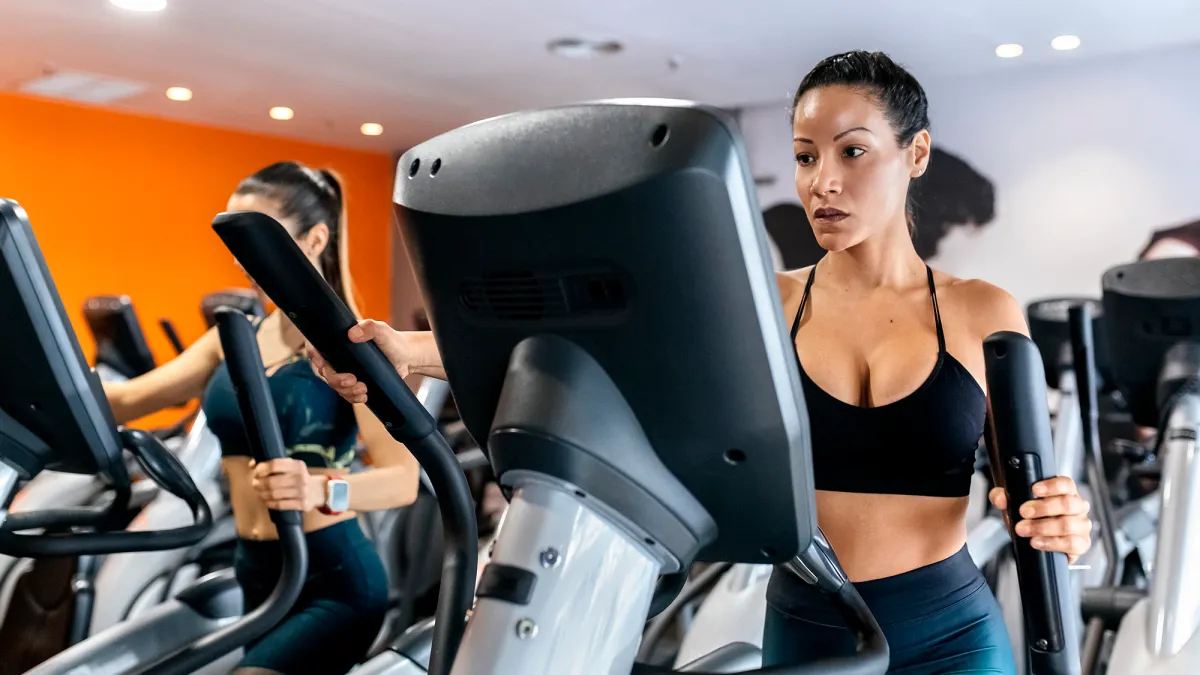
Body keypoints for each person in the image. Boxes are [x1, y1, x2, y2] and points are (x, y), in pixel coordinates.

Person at [309, 52, 1093, 673]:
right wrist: (409, 349)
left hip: (949, 630)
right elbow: (602, 346)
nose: (823, 181)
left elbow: (1027, 481)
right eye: (805, 155)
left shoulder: (980, 309)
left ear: (914, 154)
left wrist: (1067, 515)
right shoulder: (768, 300)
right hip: (813, 623)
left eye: (853, 152)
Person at [102, 161, 418, 675]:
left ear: (315, 238)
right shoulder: (234, 337)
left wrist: (320, 490)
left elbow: (403, 481)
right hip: (256, 570)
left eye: (252, 237)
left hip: (333, 577)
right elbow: (126, 401)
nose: (239, 257)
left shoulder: (352, 347)